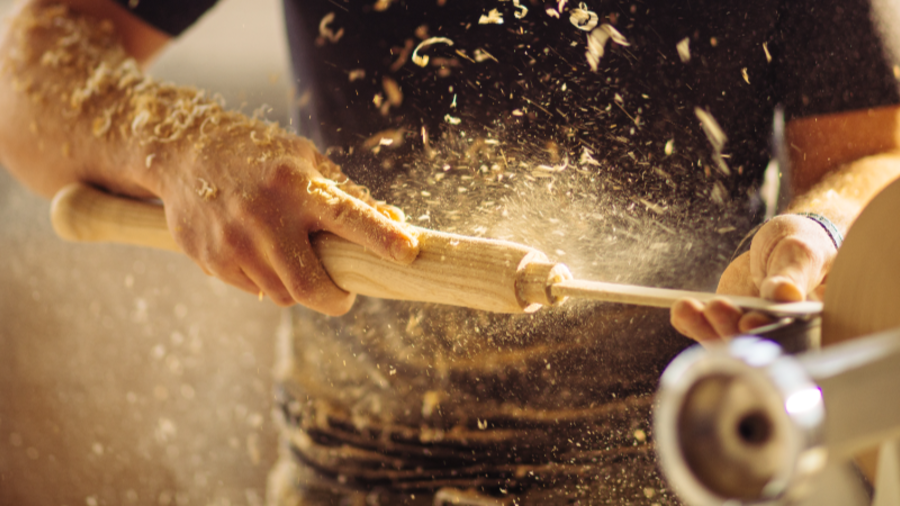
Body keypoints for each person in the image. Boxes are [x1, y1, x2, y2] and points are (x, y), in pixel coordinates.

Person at [2, 0, 900, 504]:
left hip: (701, 462)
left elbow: (871, 150)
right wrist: (179, 146)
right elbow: (30, 75)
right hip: (359, 472)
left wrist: (817, 230)